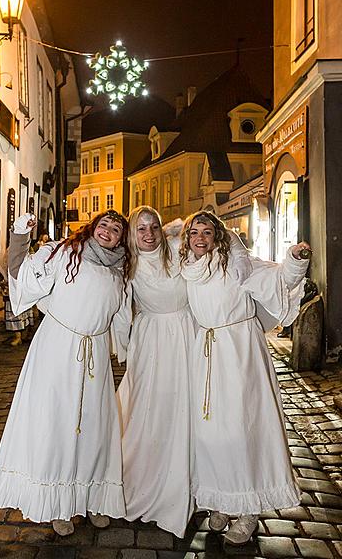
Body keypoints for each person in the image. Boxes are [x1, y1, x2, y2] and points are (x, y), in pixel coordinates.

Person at [0, 210, 130, 536]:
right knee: (58, 426)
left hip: (95, 360)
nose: (108, 231)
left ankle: (92, 496)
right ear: (93, 228)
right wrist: (20, 235)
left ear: (122, 238)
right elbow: (23, 273)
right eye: (104, 225)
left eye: (116, 229)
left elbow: (123, 318)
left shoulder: (121, 271)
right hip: (58, 350)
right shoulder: (65, 253)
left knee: (95, 427)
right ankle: (58, 505)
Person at [116, 206, 251, 538]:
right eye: (140, 228)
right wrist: (120, 347)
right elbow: (118, 307)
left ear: (162, 229)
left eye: (153, 226)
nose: (148, 233)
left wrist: (231, 239)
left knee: (196, 412)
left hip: (189, 335)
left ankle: (202, 490)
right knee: (152, 411)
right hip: (151, 341)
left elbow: (221, 244)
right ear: (132, 234)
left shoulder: (178, 251)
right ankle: (148, 483)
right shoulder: (126, 265)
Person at [179, 211, 311, 545]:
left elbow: (279, 279)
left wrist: (295, 260)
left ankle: (249, 509)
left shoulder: (237, 264)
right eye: (194, 232)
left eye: (207, 232)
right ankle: (222, 499)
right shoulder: (187, 269)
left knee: (242, 429)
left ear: (217, 236)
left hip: (240, 354)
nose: (200, 237)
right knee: (211, 432)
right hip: (207, 354)